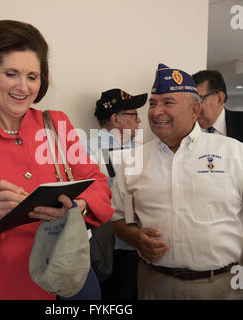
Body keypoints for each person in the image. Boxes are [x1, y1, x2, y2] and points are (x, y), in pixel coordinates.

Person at [0, 20, 114, 300]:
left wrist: (77, 205)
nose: (23, 87)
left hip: (69, 273)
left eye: (32, 76)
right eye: (11, 73)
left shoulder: (57, 124)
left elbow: (98, 184)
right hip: (2, 283)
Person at [110, 63, 243, 300]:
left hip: (221, 285)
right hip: (153, 283)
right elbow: (120, 218)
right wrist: (136, 237)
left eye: (168, 102)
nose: (156, 111)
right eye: (152, 103)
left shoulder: (234, 153)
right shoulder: (133, 161)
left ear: (194, 109)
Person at [86, 88, 147, 299]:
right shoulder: (87, 151)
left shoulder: (141, 150)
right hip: (107, 248)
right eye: (134, 115)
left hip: (138, 245)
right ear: (115, 118)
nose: (140, 121)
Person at [192, 70, 243, 163]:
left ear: (220, 98)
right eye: (191, 101)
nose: (195, 107)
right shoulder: (185, 130)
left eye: (200, 99)